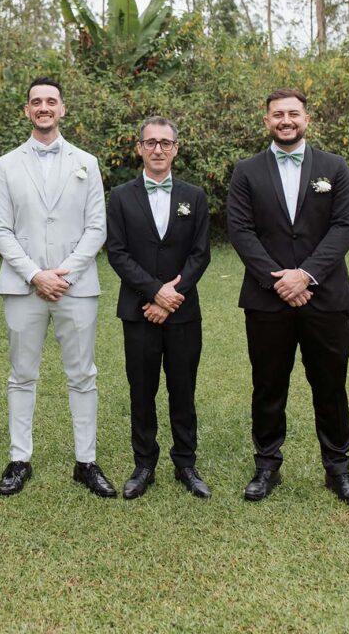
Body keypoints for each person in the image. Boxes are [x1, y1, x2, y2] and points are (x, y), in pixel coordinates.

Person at [227, 89, 349, 506]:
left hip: (326, 298)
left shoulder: (334, 167)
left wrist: (304, 276)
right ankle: (267, 465)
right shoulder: (246, 171)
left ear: (307, 118)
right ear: (266, 121)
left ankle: (338, 469)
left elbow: (345, 225)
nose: (285, 120)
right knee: (268, 384)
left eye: (293, 113)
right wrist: (279, 281)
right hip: (267, 299)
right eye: (277, 114)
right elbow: (241, 230)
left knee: (331, 385)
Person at [0, 78, 115, 498]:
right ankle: (19, 459)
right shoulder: (7, 164)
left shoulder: (87, 162)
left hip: (75, 288)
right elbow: (1, 230)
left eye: (51, 101)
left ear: (62, 109)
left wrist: (64, 273)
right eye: (36, 102)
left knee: (83, 375)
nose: (43, 107)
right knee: (21, 374)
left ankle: (86, 461)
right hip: (23, 286)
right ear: (27, 110)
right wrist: (34, 274)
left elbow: (97, 227)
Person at [107, 115, 211, 500]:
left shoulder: (194, 196)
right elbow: (117, 252)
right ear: (139, 148)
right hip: (139, 312)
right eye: (150, 142)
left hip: (183, 312)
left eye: (165, 143)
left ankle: (186, 462)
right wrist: (154, 292)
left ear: (176, 149)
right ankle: (144, 464)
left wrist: (171, 296)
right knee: (142, 390)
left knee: (183, 390)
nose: (157, 149)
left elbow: (200, 254)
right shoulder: (120, 196)